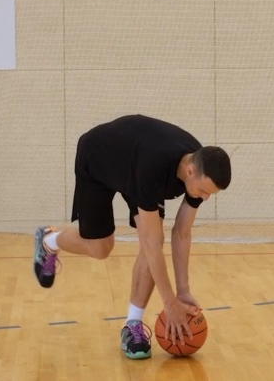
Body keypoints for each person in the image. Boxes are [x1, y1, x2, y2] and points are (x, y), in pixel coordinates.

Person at [32, 114, 231, 360]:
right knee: (101, 248)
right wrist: (170, 304)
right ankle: (48, 240)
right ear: (190, 171)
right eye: (203, 191)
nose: (205, 197)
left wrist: (182, 291)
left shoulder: (199, 166)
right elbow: (150, 243)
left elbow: (181, 232)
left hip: (134, 162)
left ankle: (132, 325)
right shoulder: (154, 168)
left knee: (154, 241)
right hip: (99, 160)